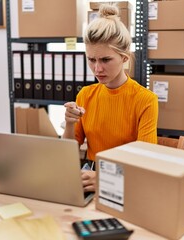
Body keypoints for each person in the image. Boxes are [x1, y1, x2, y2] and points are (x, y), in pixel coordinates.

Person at [63, 3, 158, 192]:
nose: (97, 69)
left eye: (105, 60)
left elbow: (146, 162)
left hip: (129, 182)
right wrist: (69, 123)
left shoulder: (145, 100)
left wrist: (105, 178)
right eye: (91, 60)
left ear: (125, 58)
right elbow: (68, 153)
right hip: (90, 179)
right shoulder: (86, 95)